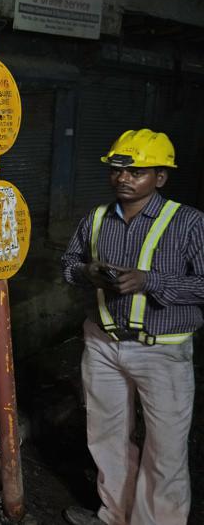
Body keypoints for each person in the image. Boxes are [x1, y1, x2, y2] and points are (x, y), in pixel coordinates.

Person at [61, 129, 204, 525]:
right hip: (103, 344)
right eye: (118, 170)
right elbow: (68, 265)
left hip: (162, 351)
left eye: (136, 171)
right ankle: (114, 516)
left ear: (160, 177)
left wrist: (149, 280)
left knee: (166, 450)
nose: (123, 178)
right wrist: (86, 272)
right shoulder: (95, 219)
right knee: (106, 438)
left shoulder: (189, 223)